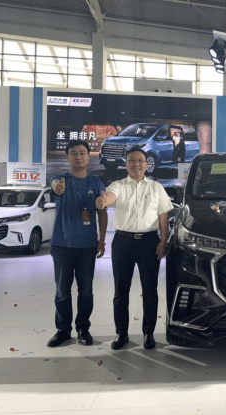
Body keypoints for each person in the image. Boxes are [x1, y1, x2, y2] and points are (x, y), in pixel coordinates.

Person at [96, 148, 173, 350]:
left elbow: (163, 215)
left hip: (149, 242)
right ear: (126, 163)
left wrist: (163, 241)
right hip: (123, 242)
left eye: (140, 160)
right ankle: (121, 333)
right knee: (120, 291)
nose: (136, 164)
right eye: (132, 160)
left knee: (150, 290)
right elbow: (110, 197)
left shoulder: (156, 188)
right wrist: (105, 201)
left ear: (146, 165)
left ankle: (149, 333)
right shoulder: (118, 185)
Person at [47, 140, 108, 347]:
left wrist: (102, 240)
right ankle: (63, 330)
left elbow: (102, 213)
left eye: (82, 153)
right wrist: (56, 187)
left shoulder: (96, 184)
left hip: (87, 247)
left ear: (89, 156)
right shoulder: (60, 180)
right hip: (62, 245)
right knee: (62, 291)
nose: (78, 157)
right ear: (67, 157)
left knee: (86, 291)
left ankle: (83, 329)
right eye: (73, 153)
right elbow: (54, 187)